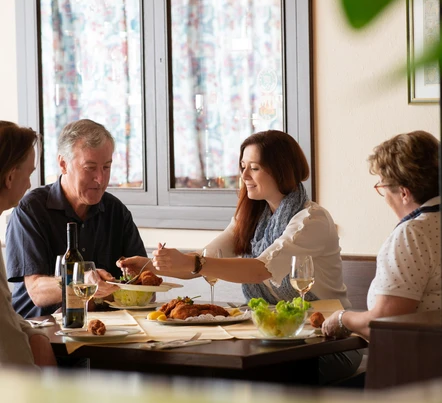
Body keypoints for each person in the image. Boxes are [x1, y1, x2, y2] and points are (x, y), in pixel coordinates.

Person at [119, 130, 360, 384]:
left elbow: (260, 269)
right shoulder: (253, 217)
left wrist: (194, 262)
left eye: (254, 168)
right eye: (243, 166)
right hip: (272, 339)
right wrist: (152, 269)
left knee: (238, 379)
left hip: (327, 344)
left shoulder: (311, 220)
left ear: (281, 170)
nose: (243, 176)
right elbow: (207, 259)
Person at [6, 119, 146, 318]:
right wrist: (81, 280)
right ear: (63, 164)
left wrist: (137, 278)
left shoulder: (116, 211)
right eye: (90, 168)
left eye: (106, 167)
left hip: (107, 331)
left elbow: (144, 289)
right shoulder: (31, 211)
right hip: (40, 332)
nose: (100, 178)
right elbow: (37, 291)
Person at [322, 130, 440, 341]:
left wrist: (342, 318)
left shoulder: (412, 234)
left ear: (404, 193)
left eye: (382, 186)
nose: (383, 195)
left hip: (421, 365)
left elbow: (387, 324)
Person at [0, 121, 56, 368]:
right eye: (29, 174)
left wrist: (36, 335)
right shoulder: (30, 212)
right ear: (11, 177)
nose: (30, 184)